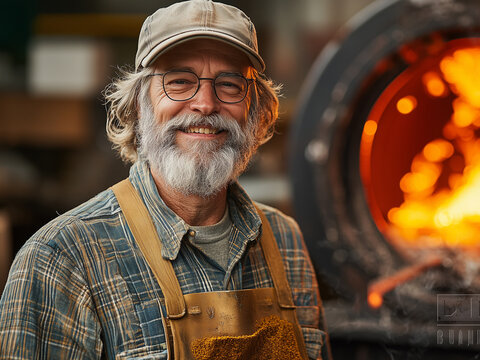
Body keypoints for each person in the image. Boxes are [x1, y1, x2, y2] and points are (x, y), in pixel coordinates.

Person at [0, 1, 330, 359]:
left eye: (230, 84)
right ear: (139, 104)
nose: (205, 103)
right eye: (179, 82)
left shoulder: (285, 241)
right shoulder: (61, 258)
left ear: (255, 109)